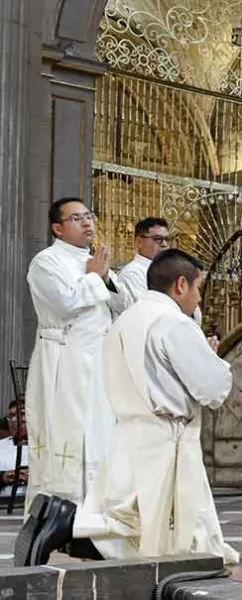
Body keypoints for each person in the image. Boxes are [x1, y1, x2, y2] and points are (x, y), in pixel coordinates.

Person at [16, 249, 239, 567]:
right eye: (197, 288)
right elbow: (212, 388)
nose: (198, 298)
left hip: (128, 433)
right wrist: (213, 358)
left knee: (129, 524)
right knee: (160, 534)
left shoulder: (126, 319)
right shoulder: (174, 322)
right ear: (180, 284)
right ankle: (65, 522)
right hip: (166, 436)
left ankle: (63, 523)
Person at [24, 197, 125, 513]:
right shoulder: (46, 261)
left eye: (89, 216)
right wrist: (95, 276)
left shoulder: (95, 262)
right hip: (64, 360)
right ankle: (62, 509)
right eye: (77, 218)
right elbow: (65, 303)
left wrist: (105, 277)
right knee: (69, 432)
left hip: (97, 360)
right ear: (57, 227)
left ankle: (96, 509)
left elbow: (123, 306)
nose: (87, 223)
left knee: (99, 431)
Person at [0, 401, 28, 501]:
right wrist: (3, 478)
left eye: (22, 415)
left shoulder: (46, 447)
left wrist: (32, 478)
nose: (13, 420)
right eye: (11, 416)